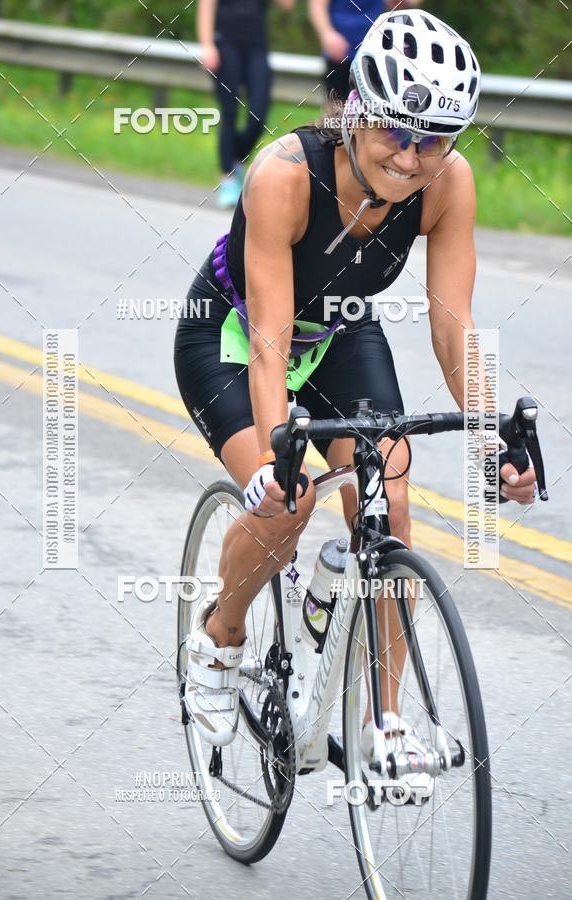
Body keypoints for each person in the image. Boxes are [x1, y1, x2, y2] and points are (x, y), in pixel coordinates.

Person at [175, 10, 538, 749]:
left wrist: (491, 441)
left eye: (432, 137)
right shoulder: (284, 175)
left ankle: (386, 723)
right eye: (394, 131)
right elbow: (272, 341)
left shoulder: (448, 184)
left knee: (392, 502)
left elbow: (452, 327)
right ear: (355, 112)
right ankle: (220, 636)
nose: (410, 157)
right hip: (238, 336)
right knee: (288, 505)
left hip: (339, 331)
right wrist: (280, 462)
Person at [197, 0, 295, 209]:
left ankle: (236, 160)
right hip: (224, 44)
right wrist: (207, 46)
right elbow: (206, 7)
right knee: (229, 112)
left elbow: (288, 5)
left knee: (258, 114)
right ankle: (228, 177)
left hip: (256, 48)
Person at [308, 0, 424, 100]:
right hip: (341, 49)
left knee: (373, 108)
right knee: (335, 107)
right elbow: (317, 5)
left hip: (375, 51)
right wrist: (327, 34)